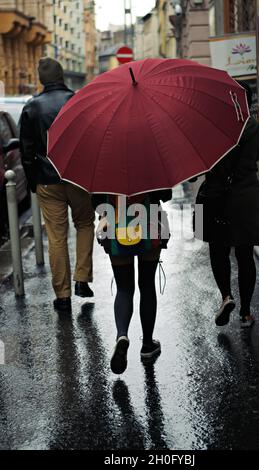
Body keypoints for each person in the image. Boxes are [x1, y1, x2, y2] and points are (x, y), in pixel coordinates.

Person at [20, 57, 95, 312]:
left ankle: (62, 295)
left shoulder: (32, 107)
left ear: (42, 79)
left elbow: (26, 151)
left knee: (56, 236)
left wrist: (34, 181)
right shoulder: (78, 100)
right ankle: (82, 278)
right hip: (78, 176)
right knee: (84, 224)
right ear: (62, 76)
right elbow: (91, 139)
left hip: (46, 179)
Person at [194, 81, 259, 327]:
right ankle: (246, 312)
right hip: (245, 198)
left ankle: (226, 296)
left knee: (218, 250)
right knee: (245, 254)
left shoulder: (212, 129)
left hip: (215, 197)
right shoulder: (256, 130)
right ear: (249, 103)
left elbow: (200, 165)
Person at [92, 190, 172, 374]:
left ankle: (122, 335)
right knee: (147, 285)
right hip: (150, 223)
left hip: (115, 226)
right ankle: (147, 345)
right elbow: (166, 193)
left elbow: (95, 202)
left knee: (124, 288)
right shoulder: (150, 162)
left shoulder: (104, 167)